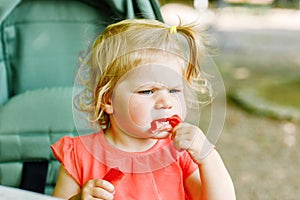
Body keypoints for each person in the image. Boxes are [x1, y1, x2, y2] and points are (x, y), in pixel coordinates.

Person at [51, 19, 236, 200]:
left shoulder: (179, 153)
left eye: (174, 90)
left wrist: (207, 157)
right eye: (147, 91)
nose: (166, 102)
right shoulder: (78, 155)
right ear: (108, 99)